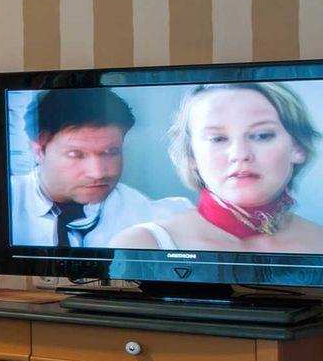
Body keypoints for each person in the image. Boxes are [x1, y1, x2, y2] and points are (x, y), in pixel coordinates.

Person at [111, 81, 323, 254]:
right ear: (192, 156)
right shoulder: (140, 245)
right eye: (217, 139)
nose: (240, 154)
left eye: (262, 135)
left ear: (298, 147)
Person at [8, 87, 161, 249]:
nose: (98, 173)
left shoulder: (147, 215)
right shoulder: (2, 203)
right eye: (75, 154)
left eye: (111, 152)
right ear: (40, 150)